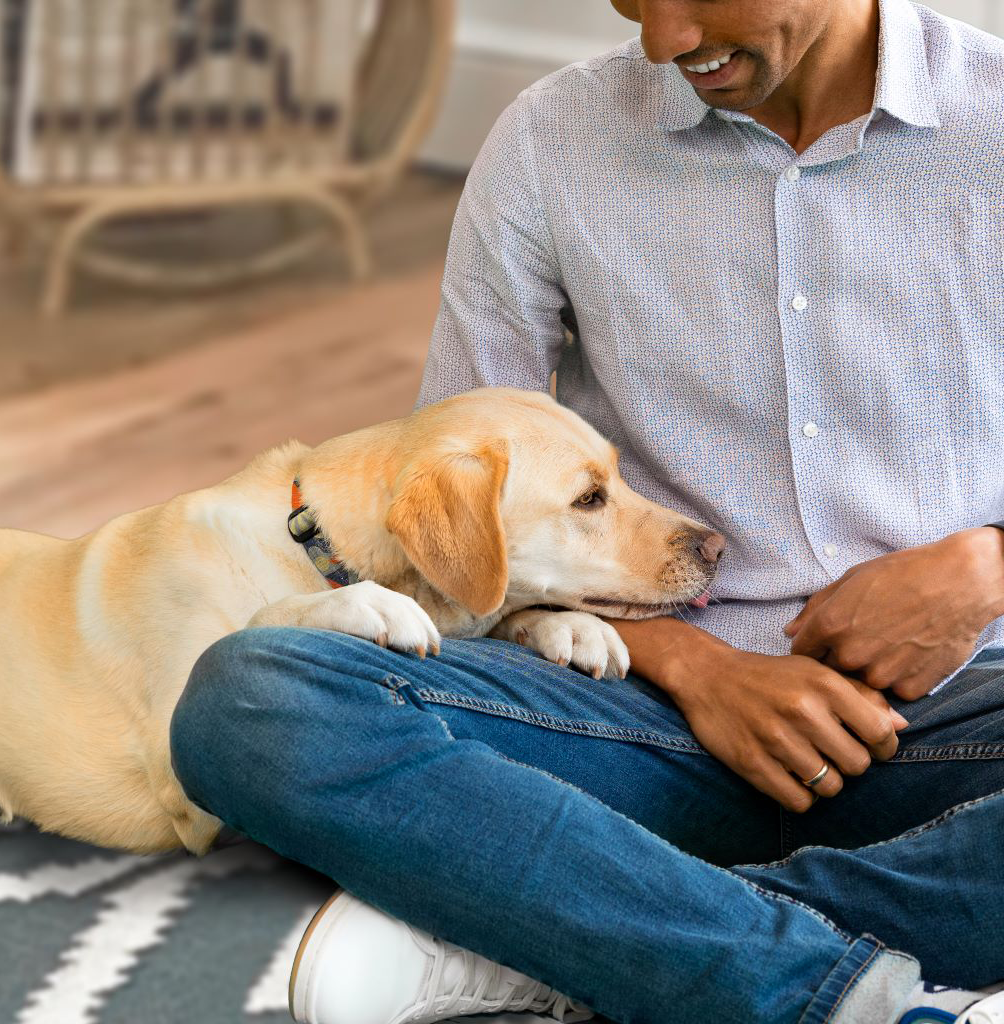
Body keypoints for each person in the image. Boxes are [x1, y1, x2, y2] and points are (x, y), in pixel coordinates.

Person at [167, 0, 1004, 1021]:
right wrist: (697, 669)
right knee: (254, 695)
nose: (666, 39)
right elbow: (459, 493)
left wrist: (990, 565)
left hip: (964, 712)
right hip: (634, 711)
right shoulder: (552, 140)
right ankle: (798, 981)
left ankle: (563, 939)